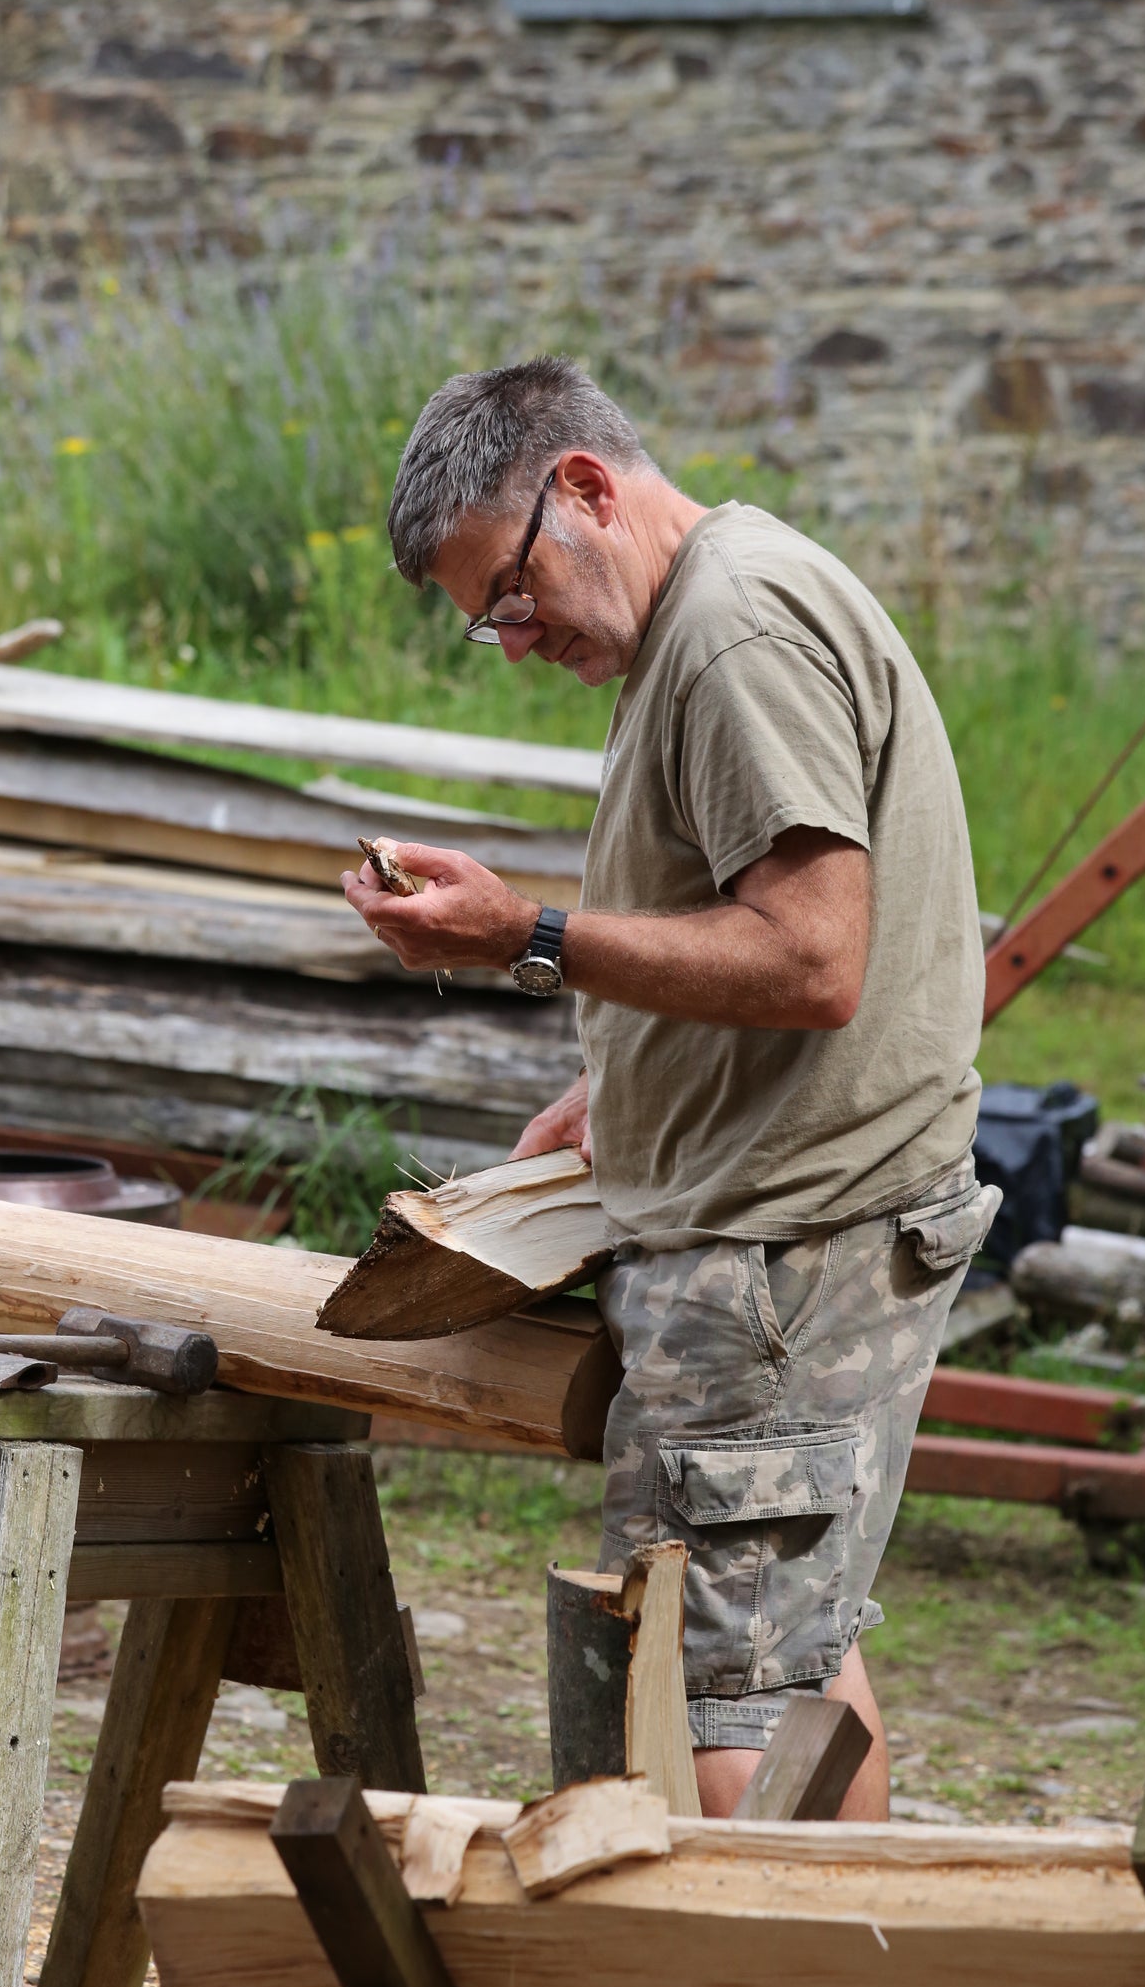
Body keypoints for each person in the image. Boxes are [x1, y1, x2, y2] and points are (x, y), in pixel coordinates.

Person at [342, 358, 998, 1818]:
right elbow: (774, 937)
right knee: (786, 1655)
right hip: (793, 1222)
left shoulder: (730, 633)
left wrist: (530, 935)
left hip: (781, 1252)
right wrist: (637, 1079)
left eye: (509, 599)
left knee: (718, 1695)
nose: (510, 642)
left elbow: (814, 957)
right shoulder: (717, 606)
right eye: (483, 622)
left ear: (581, 488)